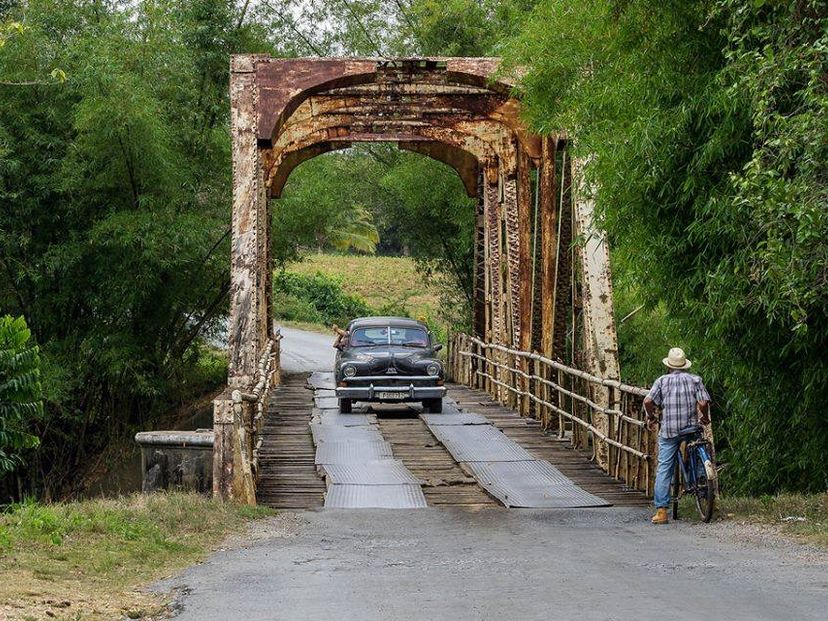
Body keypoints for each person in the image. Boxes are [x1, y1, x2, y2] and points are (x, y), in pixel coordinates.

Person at [643, 347, 711, 524]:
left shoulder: (662, 381)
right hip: (691, 427)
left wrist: (651, 416)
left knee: (665, 467)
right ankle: (704, 489)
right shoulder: (695, 380)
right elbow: (703, 403)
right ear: (685, 365)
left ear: (669, 365)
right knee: (697, 454)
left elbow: (648, 401)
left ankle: (661, 511)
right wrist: (704, 416)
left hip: (670, 430)